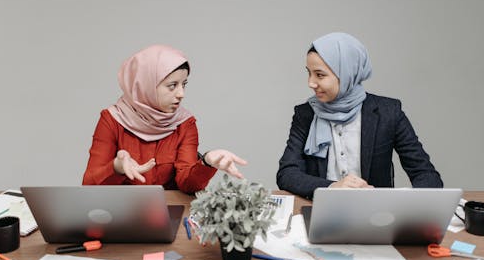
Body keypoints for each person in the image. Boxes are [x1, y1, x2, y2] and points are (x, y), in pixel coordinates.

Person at [276, 32, 443, 199]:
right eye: (309, 73)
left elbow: (426, 174)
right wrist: (332, 187)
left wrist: (406, 205)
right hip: (321, 210)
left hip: (377, 214)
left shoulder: (388, 112)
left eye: (320, 75)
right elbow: (287, 173)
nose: (311, 83)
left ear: (347, 73)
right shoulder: (305, 114)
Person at [83, 45, 247, 193]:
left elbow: (187, 184)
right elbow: (89, 186)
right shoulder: (111, 120)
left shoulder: (185, 123)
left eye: (184, 84)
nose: (181, 94)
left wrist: (207, 162)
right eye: (172, 85)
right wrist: (116, 168)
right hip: (121, 219)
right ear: (145, 85)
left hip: (171, 218)